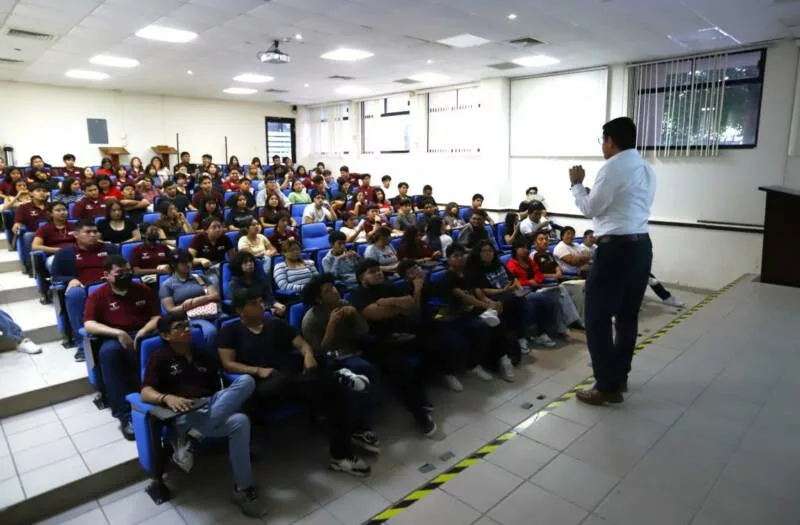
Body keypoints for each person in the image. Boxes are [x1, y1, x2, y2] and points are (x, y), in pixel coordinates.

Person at [219, 288, 371, 474]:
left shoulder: (275, 323)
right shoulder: (230, 331)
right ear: (239, 310)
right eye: (253, 303)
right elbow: (228, 364)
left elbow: (302, 344)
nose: (260, 306)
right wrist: (258, 370)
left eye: (260, 301)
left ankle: (341, 455)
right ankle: (338, 376)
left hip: (294, 380)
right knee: (322, 384)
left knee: (336, 394)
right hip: (264, 386)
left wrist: (307, 354)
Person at [140, 312, 267, 518]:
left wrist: (221, 403)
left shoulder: (202, 355)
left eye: (187, 325)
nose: (186, 329)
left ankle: (241, 488)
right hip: (184, 414)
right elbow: (145, 392)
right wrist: (166, 398)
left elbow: (217, 389)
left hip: (209, 406)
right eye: (179, 327)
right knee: (240, 421)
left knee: (246, 382)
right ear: (165, 335)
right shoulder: (159, 357)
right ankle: (195, 436)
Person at [569, 117, 655, 405]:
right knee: (627, 317)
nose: (603, 146)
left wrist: (577, 185)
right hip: (641, 247)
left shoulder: (612, 167)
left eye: (603, 140)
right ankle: (619, 377)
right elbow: (620, 204)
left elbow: (590, 208)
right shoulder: (646, 168)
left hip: (616, 250)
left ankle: (606, 385)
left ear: (610, 141)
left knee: (596, 317)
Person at [349, 259, 436, 436]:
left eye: (378, 270)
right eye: (372, 272)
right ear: (361, 278)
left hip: (401, 333)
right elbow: (376, 314)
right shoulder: (357, 295)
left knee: (431, 345)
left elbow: (411, 305)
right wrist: (397, 307)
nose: (378, 273)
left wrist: (388, 301)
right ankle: (419, 414)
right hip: (377, 341)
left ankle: (420, 394)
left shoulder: (388, 287)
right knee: (400, 368)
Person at [300, 274, 382, 452]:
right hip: (328, 361)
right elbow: (319, 353)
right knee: (357, 375)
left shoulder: (344, 304)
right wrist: (331, 326)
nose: (335, 291)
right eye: (328, 291)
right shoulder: (310, 320)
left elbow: (364, 331)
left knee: (368, 371)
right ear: (318, 299)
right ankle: (357, 427)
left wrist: (355, 315)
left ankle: (363, 419)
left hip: (350, 352)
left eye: (334, 287)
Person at [84, 255, 160, 439]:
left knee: (164, 343)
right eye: (119, 273)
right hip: (115, 336)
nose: (125, 275)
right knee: (109, 353)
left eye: (128, 271)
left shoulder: (141, 289)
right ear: (107, 275)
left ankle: (163, 397)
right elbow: (89, 324)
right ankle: (125, 415)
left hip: (143, 332)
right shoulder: (98, 295)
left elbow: (156, 317)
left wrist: (143, 331)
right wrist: (118, 333)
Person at [51, 220, 118, 361]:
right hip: (84, 290)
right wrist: (70, 279)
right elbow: (55, 276)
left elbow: (123, 268)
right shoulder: (64, 253)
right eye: (88, 232)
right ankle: (83, 345)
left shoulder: (110, 249)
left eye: (95, 232)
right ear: (76, 234)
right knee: (74, 293)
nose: (92, 235)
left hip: (110, 286)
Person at [506, 239, 582, 335]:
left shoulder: (528, 260)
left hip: (538, 286)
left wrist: (536, 280)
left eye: (526, 248)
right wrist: (529, 282)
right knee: (555, 295)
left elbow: (539, 273)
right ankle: (564, 325)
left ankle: (566, 324)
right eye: (522, 247)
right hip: (526, 290)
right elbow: (513, 281)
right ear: (515, 249)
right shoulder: (511, 264)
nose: (525, 250)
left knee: (559, 290)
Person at [159, 250, 221, 349]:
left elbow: (216, 296)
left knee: (230, 324)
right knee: (211, 332)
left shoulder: (200, 277)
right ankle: (211, 357)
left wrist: (195, 301)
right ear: (174, 265)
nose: (189, 265)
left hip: (213, 311)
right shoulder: (167, 285)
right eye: (184, 263)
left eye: (189, 261)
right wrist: (190, 305)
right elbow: (171, 310)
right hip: (189, 318)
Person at [32, 201, 76, 300]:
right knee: (53, 263)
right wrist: (57, 250)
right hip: (55, 255)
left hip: (75, 253)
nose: (62, 212)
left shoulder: (74, 226)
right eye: (58, 210)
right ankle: (58, 288)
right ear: (51, 214)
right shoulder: (44, 229)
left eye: (64, 210)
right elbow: (35, 246)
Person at [228, 252, 285, 317]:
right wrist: (268, 309)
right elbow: (241, 304)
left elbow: (269, 297)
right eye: (245, 262)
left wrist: (278, 305)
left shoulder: (260, 280)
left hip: (265, 308)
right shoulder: (234, 283)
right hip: (247, 314)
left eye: (251, 261)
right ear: (238, 265)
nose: (250, 263)